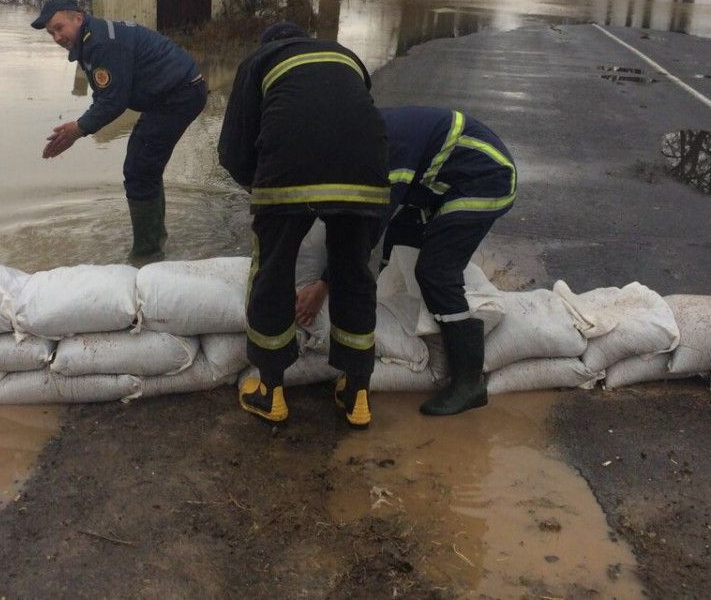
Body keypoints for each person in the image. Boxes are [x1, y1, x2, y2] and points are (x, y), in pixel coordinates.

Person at [218, 22, 389, 428]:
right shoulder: (345, 56)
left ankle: (271, 391)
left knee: (273, 271)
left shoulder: (258, 61)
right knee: (353, 273)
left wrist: (258, 188)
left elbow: (232, 149)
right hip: (367, 173)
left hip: (289, 173)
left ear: (267, 44)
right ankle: (356, 392)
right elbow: (354, 117)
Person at [295, 106, 517, 416]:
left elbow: (366, 230)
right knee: (398, 248)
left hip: (485, 178)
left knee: (435, 272)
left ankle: (469, 383)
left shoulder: (385, 155)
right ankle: (407, 322)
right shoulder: (362, 141)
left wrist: (323, 284)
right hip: (436, 183)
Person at [32, 0, 206, 262]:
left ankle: (146, 254)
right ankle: (154, 241)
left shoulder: (101, 44)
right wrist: (81, 126)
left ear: (78, 18)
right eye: (51, 33)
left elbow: (114, 101)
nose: (56, 37)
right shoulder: (92, 39)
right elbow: (107, 95)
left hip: (179, 95)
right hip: (168, 95)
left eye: (59, 28)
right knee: (142, 166)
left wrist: (77, 130)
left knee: (138, 169)